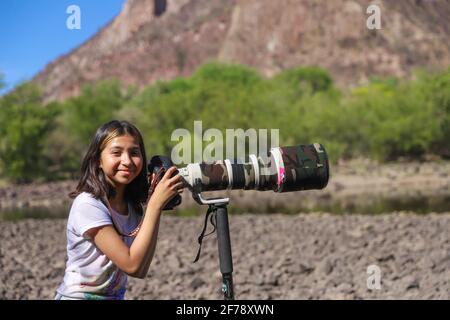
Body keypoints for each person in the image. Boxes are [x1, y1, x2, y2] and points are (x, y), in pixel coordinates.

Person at [55, 120, 184, 300]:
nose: (127, 161)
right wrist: (155, 204)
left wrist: (158, 201)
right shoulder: (88, 204)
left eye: (134, 153)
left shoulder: (132, 207)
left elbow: (141, 269)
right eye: (116, 153)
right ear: (97, 160)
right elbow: (132, 265)